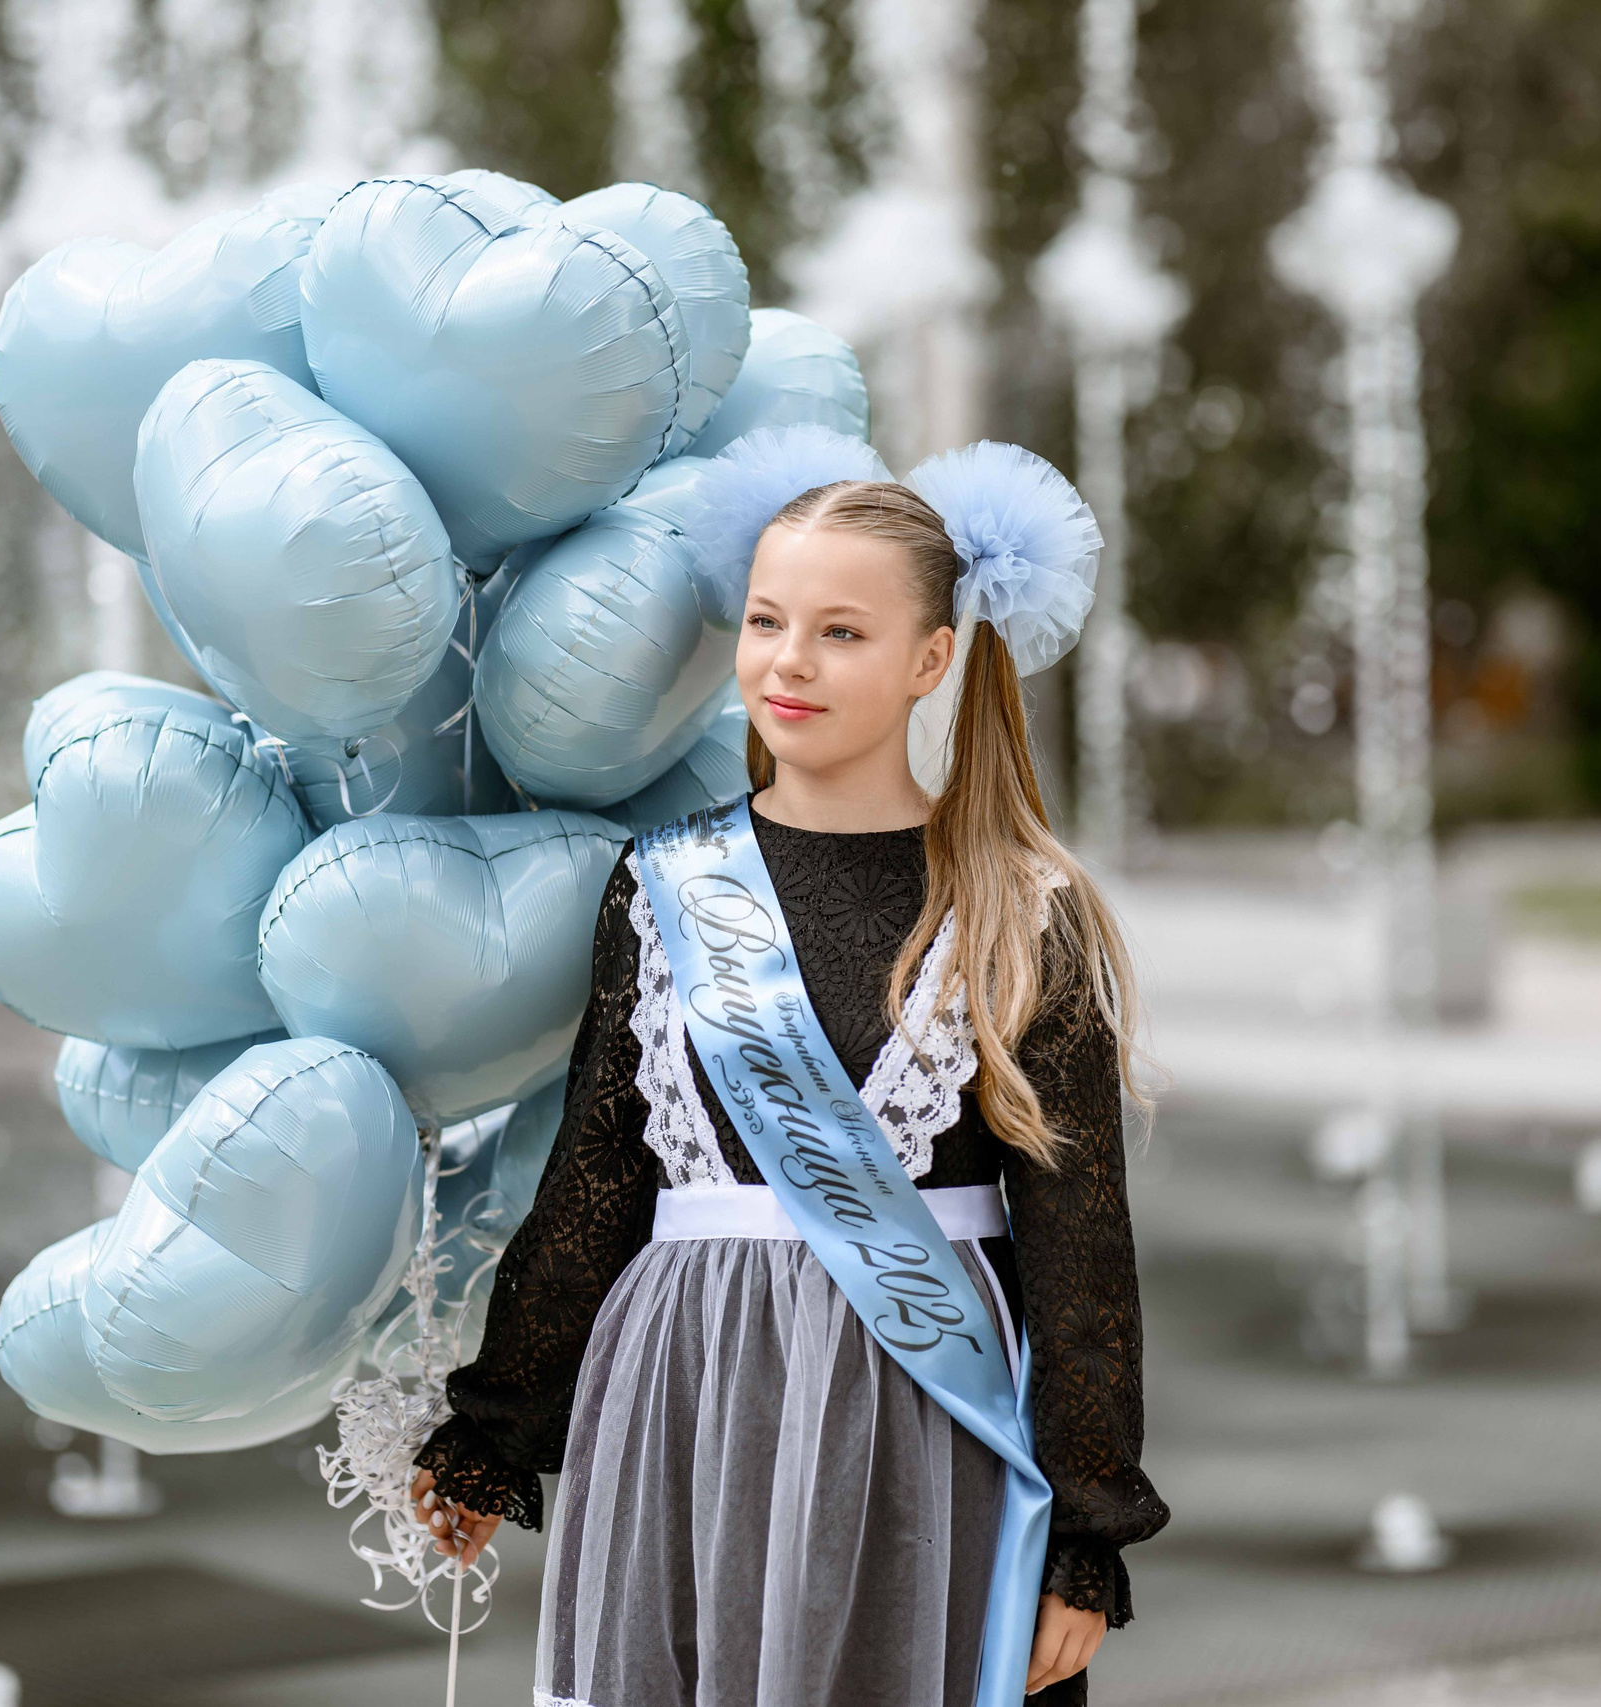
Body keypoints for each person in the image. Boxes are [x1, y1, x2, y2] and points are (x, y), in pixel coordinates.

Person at [407, 426, 1170, 1706]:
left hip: (923, 1420)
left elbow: (1080, 1243)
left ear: (934, 658)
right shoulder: (660, 890)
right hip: (690, 1400)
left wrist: (1086, 1529)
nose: (789, 663)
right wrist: (496, 1427)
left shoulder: (1021, 909)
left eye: (841, 632)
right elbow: (596, 1180)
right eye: (767, 622)